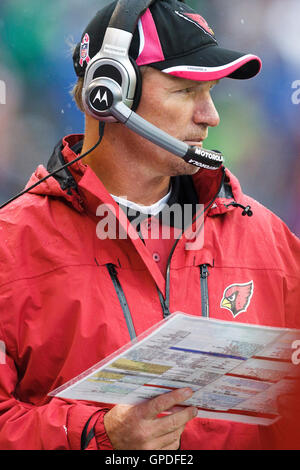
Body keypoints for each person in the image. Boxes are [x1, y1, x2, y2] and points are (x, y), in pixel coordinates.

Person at [0, 0, 299, 451]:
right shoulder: (10, 247)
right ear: (110, 93)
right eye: (185, 91)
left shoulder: (268, 239)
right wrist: (97, 437)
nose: (210, 116)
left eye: (212, 92)